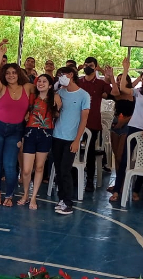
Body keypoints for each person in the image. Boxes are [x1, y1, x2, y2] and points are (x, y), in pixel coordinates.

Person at [109, 60, 143, 203]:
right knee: (125, 159)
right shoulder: (138, 92)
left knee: (142, 160)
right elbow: (123, 88)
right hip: (133, 128)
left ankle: (136, 190)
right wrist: (125, 69)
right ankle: (117, 190)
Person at [0, 45, 36, 207]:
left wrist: (31, 111)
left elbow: (44, 92)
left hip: (15, 130)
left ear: (19, 74)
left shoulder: (27, 87)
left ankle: (9, 195)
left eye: (14, 72)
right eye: (8, 73)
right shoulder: (0, 88)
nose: (11, 75)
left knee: (10, 164)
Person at [51, 66, 91, 215]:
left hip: (71, 139)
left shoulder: (83, 95)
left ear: (71, 75)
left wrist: (77, 140)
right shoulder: (59, 92)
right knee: (58, 170)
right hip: (57, 136)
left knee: (65, 170)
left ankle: (68, 202)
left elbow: (84, 119)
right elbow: (55, 113)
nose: (61, 77)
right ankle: (61, 199)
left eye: (63, 74)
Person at [18, 74, 61, 210]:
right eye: (39, 81)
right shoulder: (32, 96)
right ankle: (25, 194)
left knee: (40, 167)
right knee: (26, 170)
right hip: (30, 133)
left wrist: (57, 101)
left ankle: (33, 196)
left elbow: (58, 114)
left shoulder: (54, 98)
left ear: (50, 85)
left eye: (44, 81)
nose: (41, 83)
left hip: (46, 133)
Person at [78, 57, 113, 192]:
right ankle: (73, 177)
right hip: (77, 121)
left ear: (96, 67)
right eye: (86, 65)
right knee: (73, 150)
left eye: (91, 65)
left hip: (93, 122)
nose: (88, 67)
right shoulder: (78, 81)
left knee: (90, 152)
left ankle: (89, 181)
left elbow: (113, 92)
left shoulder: (100, 83)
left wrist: (107, 74)